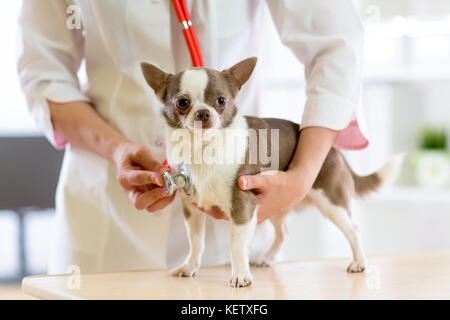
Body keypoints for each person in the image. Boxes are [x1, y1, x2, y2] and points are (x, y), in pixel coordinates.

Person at [17, 0, 368, 274]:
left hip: (233, 223)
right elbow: (44, 72)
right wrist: (117, 148)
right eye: (185, 104)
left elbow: (335, 42)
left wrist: (302, 176)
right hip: (108, 226)